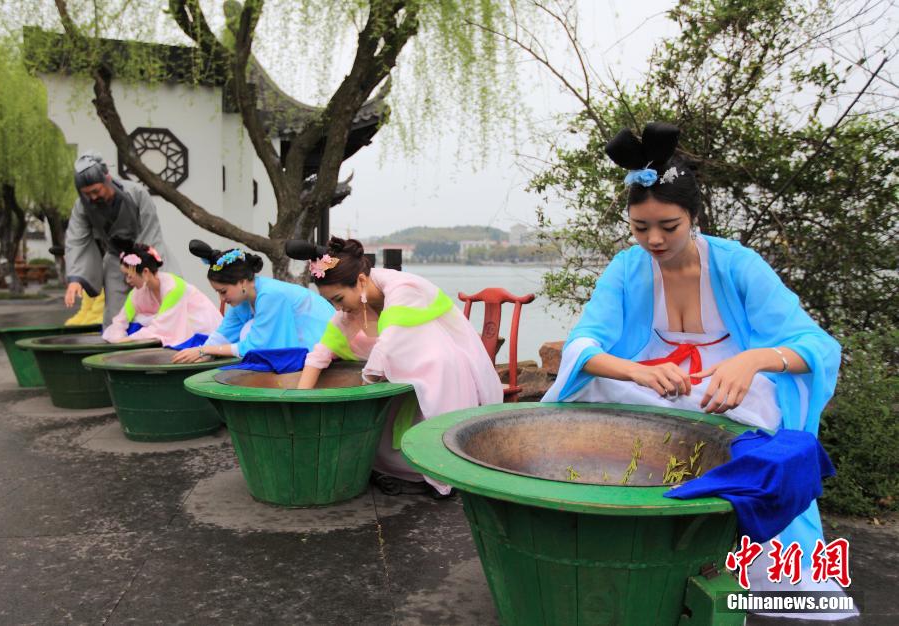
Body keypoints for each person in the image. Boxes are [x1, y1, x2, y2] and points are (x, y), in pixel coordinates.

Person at [542, 122, 852, 617]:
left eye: (669, 226)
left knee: (763, 408)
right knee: (595, 382)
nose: (654, 240)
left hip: (731, 392)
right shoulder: (627, 268)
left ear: (694, 217)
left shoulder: (737, 265)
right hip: (656, 386)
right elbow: (585, 343)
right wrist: (634, 371)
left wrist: (751, 359)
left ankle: (745, 560)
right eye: (640, 228)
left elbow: (816, 345)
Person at [289, 237, 504, 497]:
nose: (337, 307)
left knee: (431, 395)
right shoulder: (354, 304)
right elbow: (320, 353)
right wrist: (298, 403)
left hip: (442, 366)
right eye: (330, 302)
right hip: (405, 370)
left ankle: (439, 474)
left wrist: (362, 388)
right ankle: (401, 470)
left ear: (360, 282)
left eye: (338, 299)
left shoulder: (404, 288)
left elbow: (389, 344)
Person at [171, 240, 333, 363]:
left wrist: (205, 350)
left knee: (246, 334)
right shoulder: (242, 298)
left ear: (242, 282)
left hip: (321, 340)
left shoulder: (270, 295)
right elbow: (223, 334)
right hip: (306, 345)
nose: (221, 298)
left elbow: (257, 345)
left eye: (223, 291)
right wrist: (202, 352)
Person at [64, 151, 172, 326]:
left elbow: (151, 232)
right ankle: (115, 350)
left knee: (161, 308)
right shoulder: (82, 206)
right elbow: (76, 239)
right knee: (116, 316)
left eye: (96, 191)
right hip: (116, 259)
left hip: (149, 259)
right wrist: (75, 279)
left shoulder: (136, 193)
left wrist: (144, 267)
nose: (92, 197)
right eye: (87, 194)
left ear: (107, 177)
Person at [101, 239, 223, 346]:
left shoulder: (173, 287)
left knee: (143, 330)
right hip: (169, 327)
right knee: (133, 327)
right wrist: (119, 338)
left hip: (199, 330)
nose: (127, 281)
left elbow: (161, 327)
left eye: (129, 275)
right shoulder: (137, 293)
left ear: (145, 272)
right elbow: (120, 320)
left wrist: (127, 340)